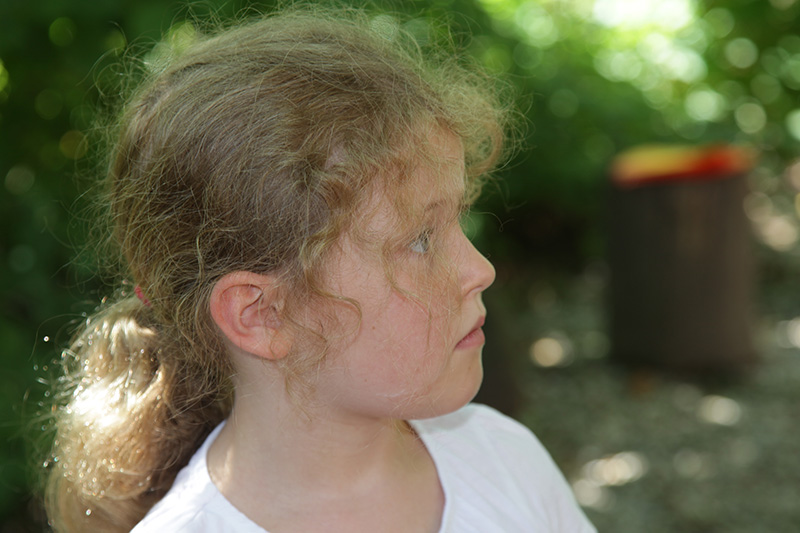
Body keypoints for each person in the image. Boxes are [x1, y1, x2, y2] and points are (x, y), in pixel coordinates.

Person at [43, 6, 596, 532]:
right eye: (420, 241)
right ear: (263, 314)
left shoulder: (504, 462)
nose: (481, 269)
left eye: (459, 218)